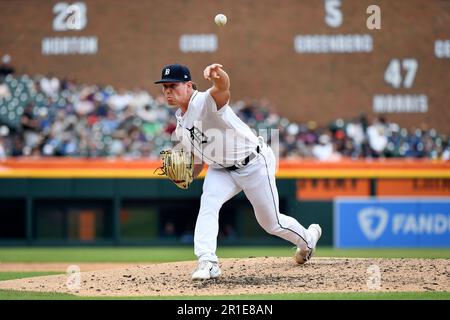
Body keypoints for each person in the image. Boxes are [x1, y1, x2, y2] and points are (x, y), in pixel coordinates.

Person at [154, 63, 322, 280]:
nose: (168, 90)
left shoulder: (204, 101)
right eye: (164, 86)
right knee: (208, 204)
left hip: (253, 163)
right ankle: (207, 261)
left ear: (188, 85)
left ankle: (308, 240)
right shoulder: (180, 125)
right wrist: (184, 176)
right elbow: (198, 162)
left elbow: (223, 88)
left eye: (173, 85)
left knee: (271, 223)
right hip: (221, 169)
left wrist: (218, 75)